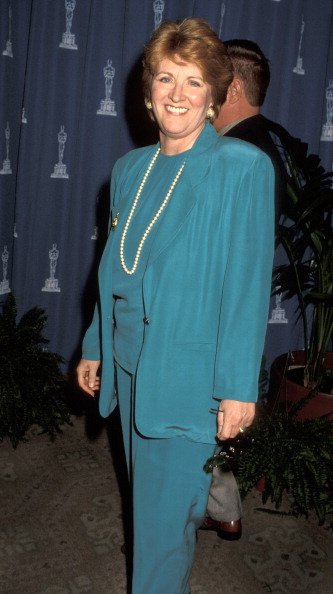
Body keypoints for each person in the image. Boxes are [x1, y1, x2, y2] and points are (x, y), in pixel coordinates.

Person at [77, 19, 275, 594]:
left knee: (162, 537)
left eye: (193, 81)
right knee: (154, 523)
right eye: (166, 78)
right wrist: (97, 345)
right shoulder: (129, 171)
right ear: (148, 92)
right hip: (133, 369)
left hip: (190, 380)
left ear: (214, 95)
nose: (178, 94)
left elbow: (247, 284)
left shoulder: (241, 169)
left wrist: (238, 387)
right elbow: (116, 270)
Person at [202, 38, 308, 541]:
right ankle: (222, 508)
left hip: (214, 307)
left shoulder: (238, 153)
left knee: (199, 417)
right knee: (215, 415)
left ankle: (188, 517)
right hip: (236, 306)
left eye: (212, 80)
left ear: (235, 86)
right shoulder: (270, 142)